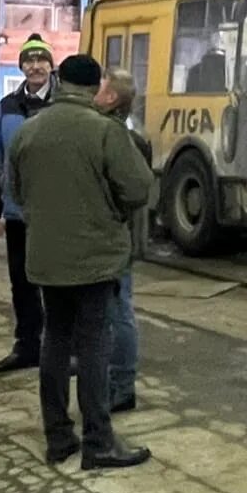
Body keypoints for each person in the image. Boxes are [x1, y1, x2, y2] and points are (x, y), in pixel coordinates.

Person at [9, 54, 156, 470]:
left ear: (59, 82)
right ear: (95, 89)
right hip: (94, 258)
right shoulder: (106, 132)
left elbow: (16, 191)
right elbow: (139, 188)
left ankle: (58, 439)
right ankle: (98, 442)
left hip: (45, 256)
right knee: (93, 346)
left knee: (53, 341)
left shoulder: (28, 130)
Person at [0, 35, 55, 375]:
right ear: (21, 66)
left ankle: (59, 349)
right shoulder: (7, 105)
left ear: (51, 66)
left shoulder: (63, 104)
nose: (36, 66)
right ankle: (27, 346)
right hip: (16, 211)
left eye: (42, 60)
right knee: (22, 282)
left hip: (56, 212)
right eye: (29, 60)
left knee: (56, 282)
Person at [94, 67, 152, 413]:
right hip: (117, 238)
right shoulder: (125, 135)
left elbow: (128, 192)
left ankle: (121, 386)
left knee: (118, 312)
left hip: (117, 239)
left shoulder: (125, 140)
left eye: (99, 90)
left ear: (112, 98)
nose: (94, 95)